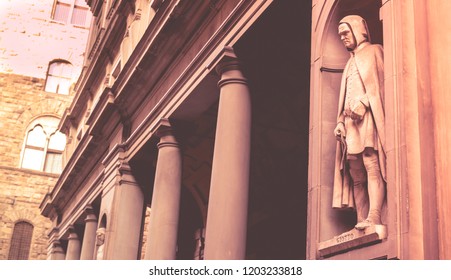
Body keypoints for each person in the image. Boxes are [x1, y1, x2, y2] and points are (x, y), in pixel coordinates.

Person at [332, 15, 386, 230]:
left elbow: (381, 85)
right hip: (350, 125)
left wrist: (364, 103)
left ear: (358, 30)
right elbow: (343, 97)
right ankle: (361, 219)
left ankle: (375, 216)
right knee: (355, 173)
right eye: (340, 35)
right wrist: (340, 122)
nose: (343, 38)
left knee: (371, 164)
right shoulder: (348, 63)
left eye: (346, 33)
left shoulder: (375, 50)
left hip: (368, 119)